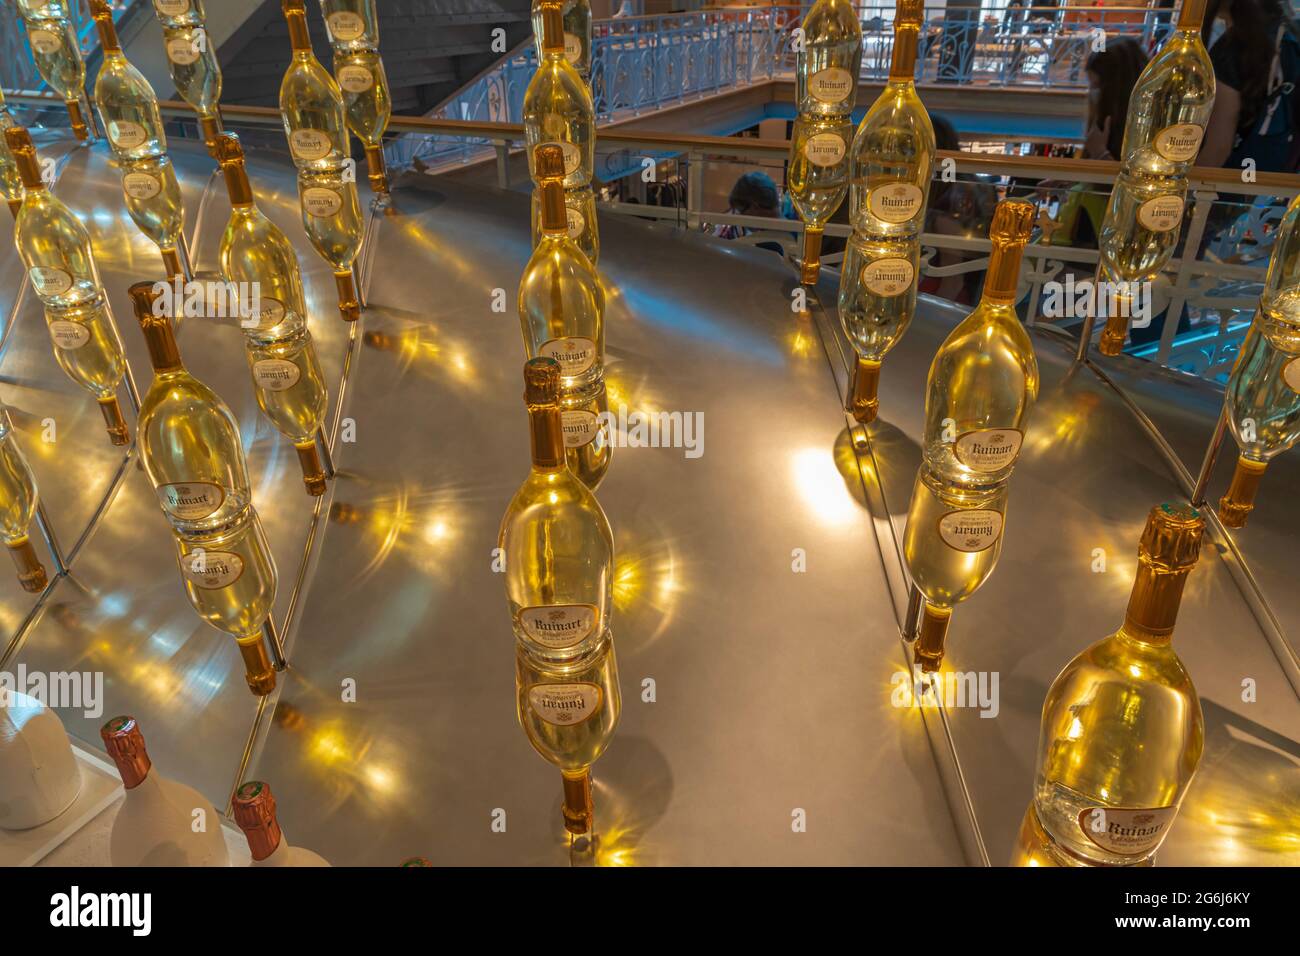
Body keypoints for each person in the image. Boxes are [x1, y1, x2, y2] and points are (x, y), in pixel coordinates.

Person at [1041, 38, 1148, 250]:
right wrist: (1067, 178)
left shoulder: (1140, 130)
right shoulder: (1114, 124)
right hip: (1092, 239)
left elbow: (1134, 191)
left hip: (1104, 243)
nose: (1092, 95)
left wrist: (1100, 154)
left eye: (1096, 87)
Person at [1199, 0, 1300, 174]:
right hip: (1283, 173)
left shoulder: (1232, 49)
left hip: (1240, 178)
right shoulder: (1288, 31)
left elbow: (1218, 148)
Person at [712, 171, 781, 240]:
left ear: (755, 207)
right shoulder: (726, 230)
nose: (739, 215)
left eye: (740, 211)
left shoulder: (784, 228)